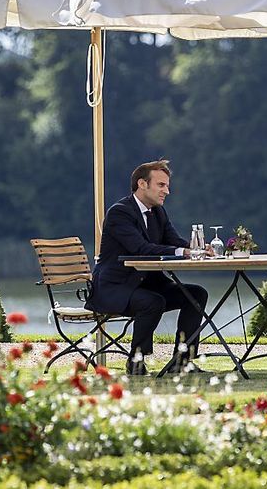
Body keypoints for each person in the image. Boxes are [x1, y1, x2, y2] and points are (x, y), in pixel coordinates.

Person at [86, 159, 210, 375]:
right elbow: (140, 248)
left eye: (167, 185)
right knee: (153, 302)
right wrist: (184, 252)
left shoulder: (158, 212)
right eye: (161, 185)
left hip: (147, 284)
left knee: (196, 294)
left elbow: (175, 241)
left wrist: (198, 248)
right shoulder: (120, 212)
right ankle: (136, 361)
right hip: (115, 288)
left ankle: (183, 361)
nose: (167, 191)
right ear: (142, 184)